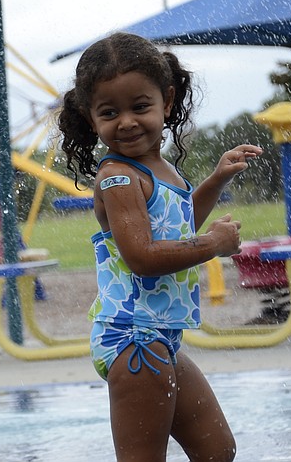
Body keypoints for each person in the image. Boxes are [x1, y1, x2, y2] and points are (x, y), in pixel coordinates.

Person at [57, 32, 262, 462]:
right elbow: (143, 257)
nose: (126, 122)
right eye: (109, 112)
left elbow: (178, 226)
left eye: (140, 106)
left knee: (217, 450)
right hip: (133, 337)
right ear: (90, 118)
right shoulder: (118, 177)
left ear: (166, 101)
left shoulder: (161, 168)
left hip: (159, 336)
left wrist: (216, 179)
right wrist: (213, 244)